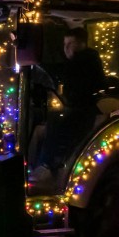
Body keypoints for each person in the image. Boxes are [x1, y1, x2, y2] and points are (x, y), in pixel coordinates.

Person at [30, 27, 105, 183]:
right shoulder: (84, 61)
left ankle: (47, 167)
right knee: (41, 127)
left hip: (81, 114)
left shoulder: (83, 62)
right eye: (65, 44)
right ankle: (41, 165)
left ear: (81, 44)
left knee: (52, 123)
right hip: (78, 110)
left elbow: (66, 78)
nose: (66, 48)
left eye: (70, 44)